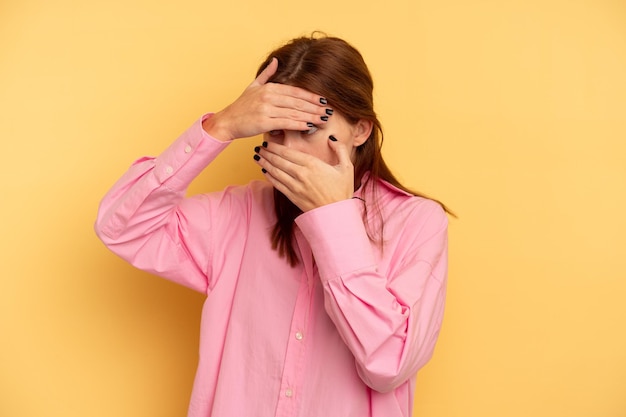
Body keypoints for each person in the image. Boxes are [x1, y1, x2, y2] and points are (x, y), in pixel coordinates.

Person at [95, 34, 450, 417]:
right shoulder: (238, 213)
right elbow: (122, 226)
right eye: (276, 131)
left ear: (360, 131)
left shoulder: (418, 222)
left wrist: (332, 217)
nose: (290, 151)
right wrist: (221, 126)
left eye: (309, 129)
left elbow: (388, 363)